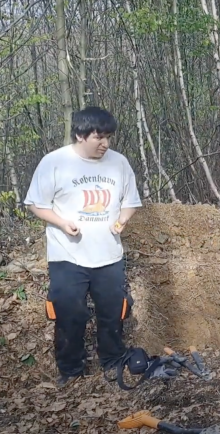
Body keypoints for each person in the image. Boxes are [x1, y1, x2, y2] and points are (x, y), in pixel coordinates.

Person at [24, 106, 143, 388]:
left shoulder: (119, 163)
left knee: (113, 311)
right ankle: (70, 369)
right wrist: (62, 223)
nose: (105, 144)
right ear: (80, 134)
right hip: (67, 255)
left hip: (109, 254)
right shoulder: (54, 162)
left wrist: (123, 220)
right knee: (69, 312)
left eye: (109, 138)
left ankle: (112, 361)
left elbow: (131, 201)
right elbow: (35, 204)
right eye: (99, 137)